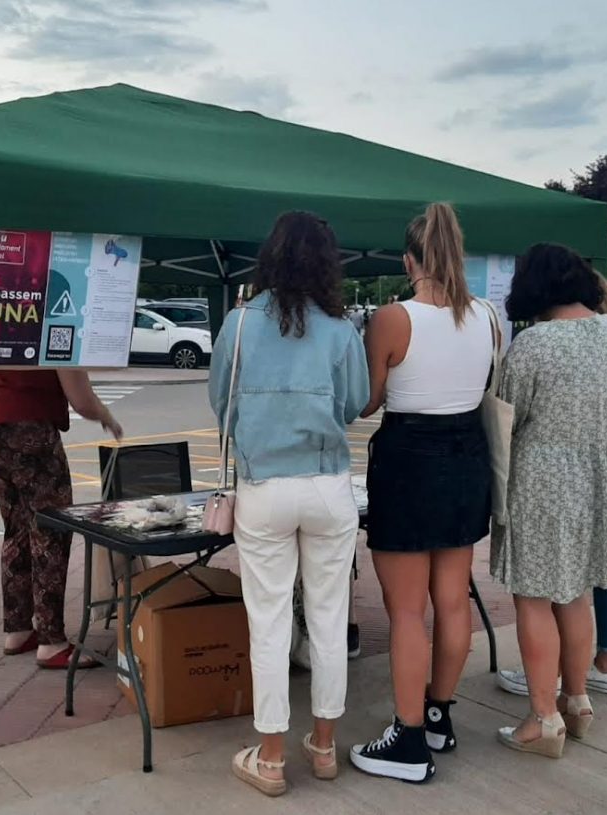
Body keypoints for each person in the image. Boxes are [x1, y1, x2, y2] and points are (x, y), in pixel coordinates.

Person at [209, 211, 369, 797]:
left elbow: (219, 402)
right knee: (328, 619)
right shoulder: (341, 327)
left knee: (269, 620)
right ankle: (323, 745)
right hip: (327, 485)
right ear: (328, 263)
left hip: (264, 487)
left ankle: (271, 757)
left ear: (270, 258)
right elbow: (354, 402)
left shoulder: (241, 324)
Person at [349, 202, 495, 784]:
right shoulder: (488, 315)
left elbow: (367, 401)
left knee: (406, 610)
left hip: (408, 458)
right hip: (467, 458)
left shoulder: (391, 318)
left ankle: (407, 741)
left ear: (409, 260)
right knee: (452, 599)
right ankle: (438, 716)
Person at [490, 243, 607, 759]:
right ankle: (577, 701)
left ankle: (542, 718)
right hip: (602, 477)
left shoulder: (534, 346)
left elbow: (508, 417)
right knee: (575, 593)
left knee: (533, 596)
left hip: (544, 480)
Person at [0, 369, 123, 669]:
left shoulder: (3, 320)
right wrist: (106, 416)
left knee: (18, 527)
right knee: (52, 532)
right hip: (27, 431)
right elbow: (81, 398)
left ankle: (18, 629)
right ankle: (51, 642)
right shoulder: (59, 321)